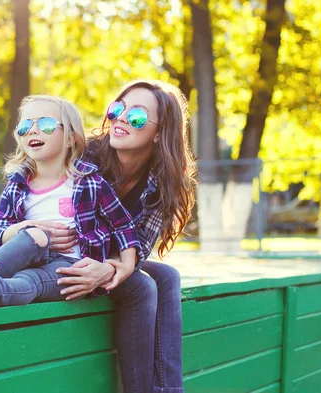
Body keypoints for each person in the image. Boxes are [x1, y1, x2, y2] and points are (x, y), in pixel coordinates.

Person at [44, 80, 197, 393]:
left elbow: (139, 247)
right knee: (141, 284)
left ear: (159, 133)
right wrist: (111, 268)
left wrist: (110, 269)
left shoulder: (165, 180)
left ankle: (169, 389)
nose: (121, 119)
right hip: (62, 254)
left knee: (167, 276)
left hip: (105, 260)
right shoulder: (83, 155)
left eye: (137, 116)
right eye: (117, 109)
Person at [0, 95, 142, 310]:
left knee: (31, 280)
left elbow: (123, 225)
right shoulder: (17, 185)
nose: (33, 130)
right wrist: (23, 229)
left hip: (69, 268)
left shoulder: (90, 183)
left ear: (70, 138)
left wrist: (126, 265)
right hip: (25, 260)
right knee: (34, 234)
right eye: (25, 126)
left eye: (46, 124)